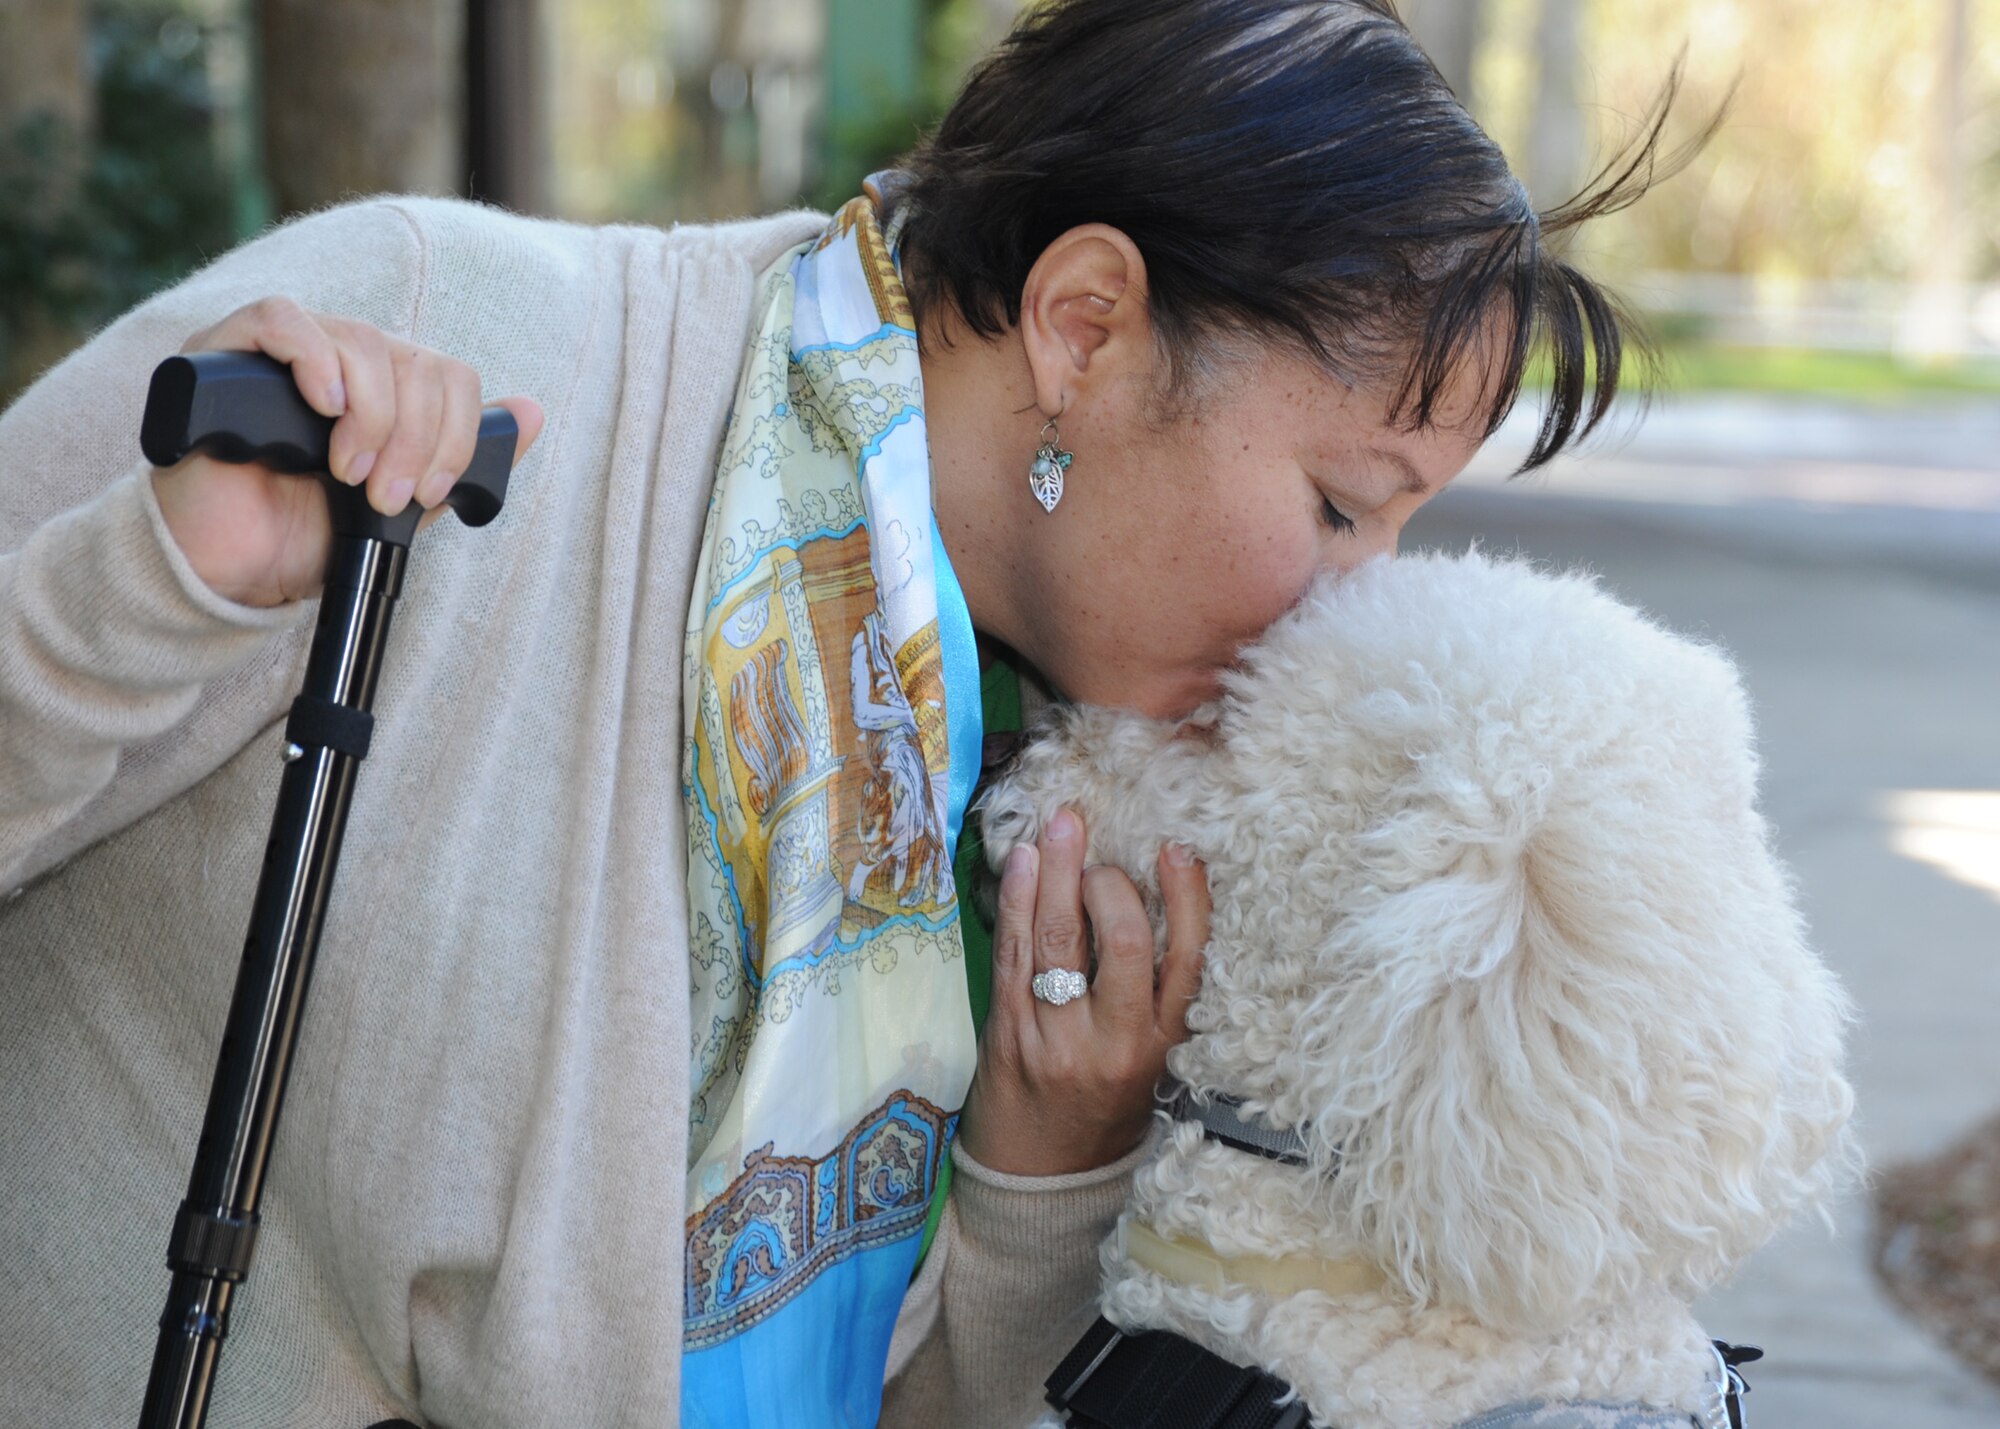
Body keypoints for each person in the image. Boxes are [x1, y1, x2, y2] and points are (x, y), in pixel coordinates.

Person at [0, 1, 1691, 1424]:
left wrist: (1046, 1176)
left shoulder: (1087, 804)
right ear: (1085, 323)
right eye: (1341, 502)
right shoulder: (435, 341)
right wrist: (171, 588)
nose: (1358, 594)